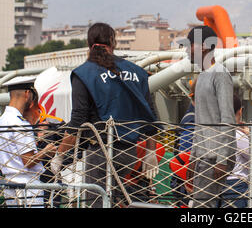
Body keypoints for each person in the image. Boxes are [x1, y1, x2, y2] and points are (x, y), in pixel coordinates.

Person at [50, 22, 160, 208]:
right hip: (129, 153)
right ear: (113, 42)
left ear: (89, 43)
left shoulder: (83, 73)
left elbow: (78, 119)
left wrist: (59, 155)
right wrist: (151, 151)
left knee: (96, 202)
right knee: (116, 200)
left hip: (100, 152)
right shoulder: (137, 72)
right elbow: (150, 115)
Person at [186, 25, 236, 208]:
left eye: (190, 44)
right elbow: (200, 122)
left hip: (215, 157)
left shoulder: (220, 74)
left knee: (202, 208)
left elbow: (228, 118)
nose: (186, 49)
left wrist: (222, 160)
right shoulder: (202, 76)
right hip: (203, 156)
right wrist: (193, 158)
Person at [0, 77, 57, 207]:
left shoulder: (2, 121)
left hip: (10, 184)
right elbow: (28, 161)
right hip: (28, 187)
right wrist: (46, 151)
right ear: (27, 94)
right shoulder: (20, 123)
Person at [221, 94, 252, 208]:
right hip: (235, 187)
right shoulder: (236, 135)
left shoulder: (211, 131)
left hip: (215, 186)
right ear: (240, 111)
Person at [170, 77, 197, 207]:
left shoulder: (194, 117)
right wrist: (190, 182)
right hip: (189, 186)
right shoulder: (192, 120)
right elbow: (186, 156)